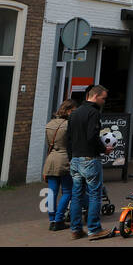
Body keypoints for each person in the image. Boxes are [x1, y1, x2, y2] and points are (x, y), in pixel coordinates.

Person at [67, 84, 109, 240]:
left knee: (76, 195)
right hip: (89, 159)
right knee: (94, 195)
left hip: (76, 159)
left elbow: (68, 138)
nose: (104, 101)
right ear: (95, 96)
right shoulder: (93, 113)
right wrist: (104, 149)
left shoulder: (74, 113)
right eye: (103, 98)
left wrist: (71, 157)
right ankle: (94, 228)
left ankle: (76, 229)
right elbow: (92, 136)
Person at [43, 99, 76, 231]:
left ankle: (51, 220)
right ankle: (58, 219)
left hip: (51, 159)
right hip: (64, 159)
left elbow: (48, 144)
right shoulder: (69, 125)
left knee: (51, 192)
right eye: (73, 111)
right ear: (68, 111)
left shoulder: (49, 124)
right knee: (68, 191)